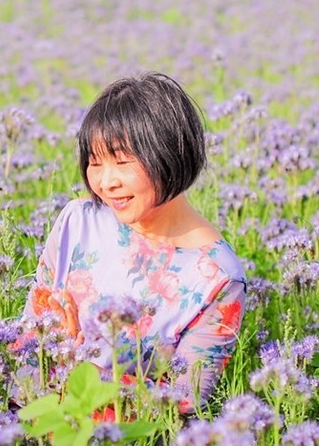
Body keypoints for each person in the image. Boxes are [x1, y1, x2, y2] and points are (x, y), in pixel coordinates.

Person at [16, 71, 246, 415]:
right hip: (29, 417)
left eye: (122, 162)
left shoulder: (218, 278)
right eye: (95, 163)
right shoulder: (77, 223)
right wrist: (50, 348)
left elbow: (188, 399)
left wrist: (91, 379)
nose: (106, 182)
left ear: (170, 156)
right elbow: (24, 348)